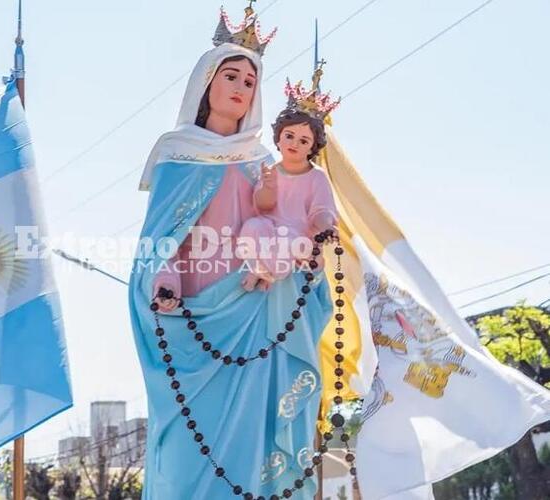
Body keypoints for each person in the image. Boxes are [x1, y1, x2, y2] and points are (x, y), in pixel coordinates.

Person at [128, 7, 334, 499]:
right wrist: (166, 281)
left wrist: (294, 257)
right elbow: (160, 237)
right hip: (193, 321)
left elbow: (284, 222)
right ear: (206, 83)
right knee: (184, 458)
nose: (241, 87)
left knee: (252, 455)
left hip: (253, 314)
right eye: (231, 75)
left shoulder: (261, 162)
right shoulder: (176, 154)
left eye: (250, 80)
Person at [238, 77, 341, 292]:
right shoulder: (271, 171)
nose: (294, 143)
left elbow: (321, 211)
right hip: (269, 229)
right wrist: (267, 188)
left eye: (303, 141)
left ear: (312, 147)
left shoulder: (316, 177)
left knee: (289, 243)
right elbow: (262, 207)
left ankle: (264, 272)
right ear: (278, 138)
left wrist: (326, 228)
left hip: (299, 234)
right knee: (252, 227)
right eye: (289, 136)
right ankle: (264, 269)